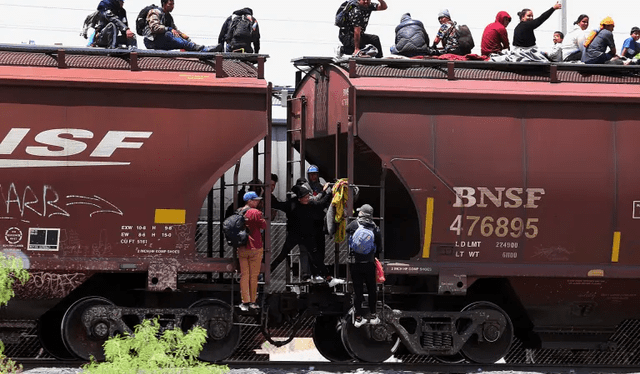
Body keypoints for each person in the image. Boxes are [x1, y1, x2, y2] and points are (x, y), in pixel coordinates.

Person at [346, 204, 382, 327]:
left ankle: (358, 317)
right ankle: (373, 315)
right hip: (369, 264)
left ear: (361, 213)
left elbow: (346, 231)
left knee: (358, 291)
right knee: (372, 289)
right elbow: (380, 248)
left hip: (355, 264)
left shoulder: (354, 225)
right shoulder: (375, 228)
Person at [142, 0, 220, 51]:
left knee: (179, 37)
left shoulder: (168, 17)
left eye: (173, 4)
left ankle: (197, 47)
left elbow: (175, 31)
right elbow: (154, 27)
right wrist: (169, 29)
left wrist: (186, 37)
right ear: (164, 4)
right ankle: (200, 49)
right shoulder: (155, 12)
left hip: (162, 40)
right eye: (170, 4)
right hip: (152, 41)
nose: (172, 6)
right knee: (169, 34)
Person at [237, 191, 266, 312]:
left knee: (244, 275)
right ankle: (253, 301)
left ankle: (245, 301)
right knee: (254, 276)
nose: (257, 202)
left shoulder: (239, 211)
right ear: (249, 201)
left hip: (242, 247)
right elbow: (263, 225)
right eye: (255, 200)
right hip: (255, 247)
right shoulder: (255, 212)